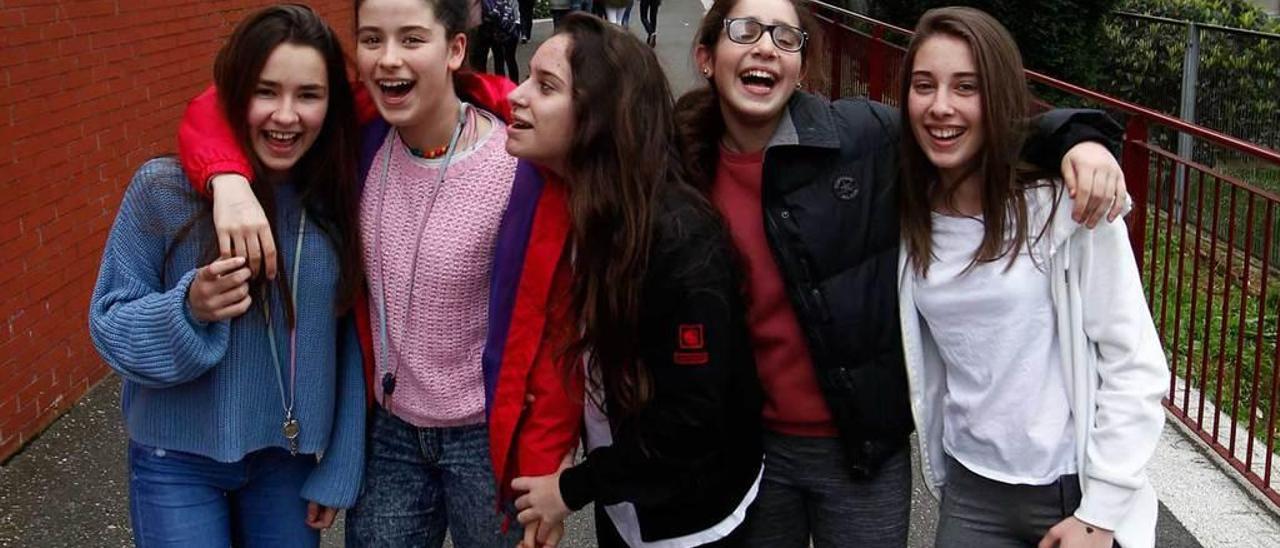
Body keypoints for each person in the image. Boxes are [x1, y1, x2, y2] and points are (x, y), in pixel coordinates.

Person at [674, 0, 1131, 546]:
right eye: (745, 30)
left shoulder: (862, 139)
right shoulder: (679, 167)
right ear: (705, 56)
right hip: (755, 447)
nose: (766, 47)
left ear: (802, 66)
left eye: (785, 37)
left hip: (862, 450)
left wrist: (1081, 139)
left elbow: (982, 126)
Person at [173, 0, 583, 546]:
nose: (389, 59)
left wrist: (545, 462)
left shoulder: (518, 164)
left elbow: (559, 330)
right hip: (389, 432)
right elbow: (228, 103)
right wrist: (225, 179)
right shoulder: (357, 137)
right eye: (372, 40)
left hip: (485, 435)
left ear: (455, 49)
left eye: (412, 39)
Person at [88, 5, 366, 547]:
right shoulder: (163, 191)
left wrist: (340, 463)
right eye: (266, 91)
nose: (285, 116)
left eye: (308, 95)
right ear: (234, 92)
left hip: (284, 462)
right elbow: (108, 324)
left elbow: (353, 339)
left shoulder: (335, 200)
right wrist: (188, 308)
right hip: (176, 461)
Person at [896, 8, 1168, 548]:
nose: (941, 106)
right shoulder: (907, 212)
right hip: (970, 492)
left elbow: (1134, 363)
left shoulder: (1063, 210)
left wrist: (1101, 513)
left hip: (1072, 494)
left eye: (965, 87)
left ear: (996, 98)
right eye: (924, 86)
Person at [505, 13, 763, 548]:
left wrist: (571, 489)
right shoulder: (574, 206)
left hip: (691, 522)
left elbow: (689, 421)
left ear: (599, 116)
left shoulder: (678, 240)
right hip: (628, 506)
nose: (517, 96)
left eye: (545, 86)